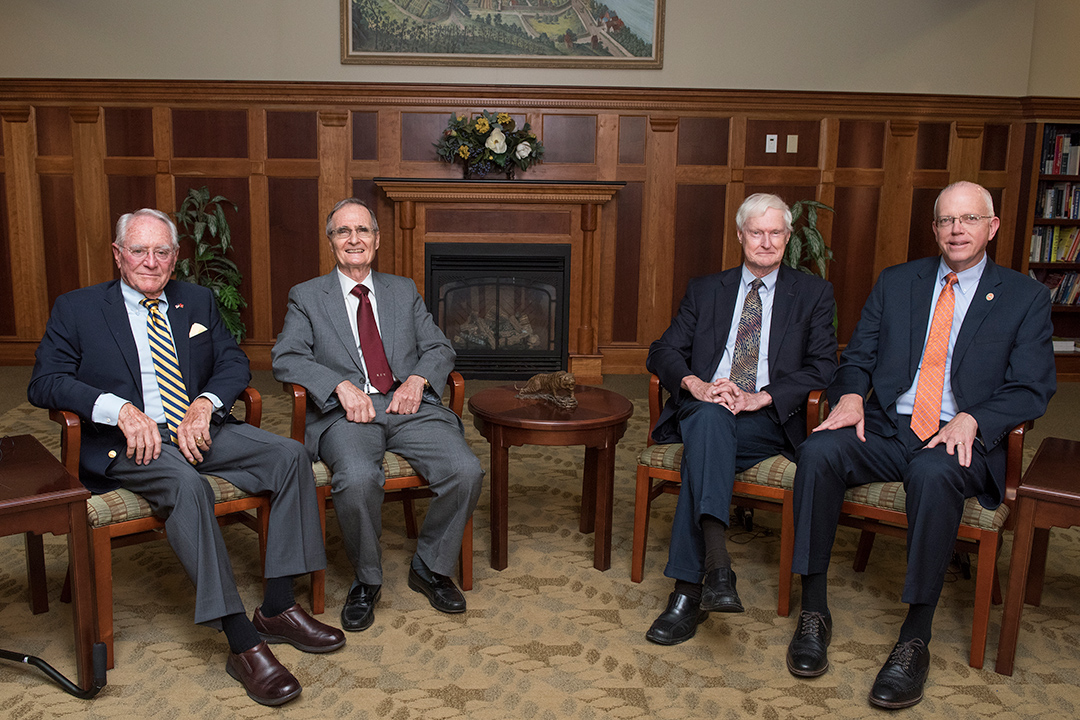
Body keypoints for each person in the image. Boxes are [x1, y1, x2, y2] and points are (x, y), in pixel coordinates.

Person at [28, 209, 344, 707]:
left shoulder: (196, 299)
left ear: (175, 258)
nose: (149, 262)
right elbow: (44, 382)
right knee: (187, 488)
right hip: (133, 442)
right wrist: (122, 411)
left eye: (161, 252)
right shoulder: (78, 308)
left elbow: (233, 361)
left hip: (199, 430)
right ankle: (242, 641)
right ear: (118, 255)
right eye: (138, 250)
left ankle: (279, 607)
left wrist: (205, 405)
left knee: (290, 456)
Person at [785, 181, 1056, 709]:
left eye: (970, 219)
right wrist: (851, 397)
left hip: (958, 434)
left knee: (933, 474)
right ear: (934, 229)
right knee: (818, 452)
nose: (957, 229)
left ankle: (915, 636)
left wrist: (975, 418)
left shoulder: (1024, 297)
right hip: (889, 425)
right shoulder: (898, 282)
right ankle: (813, 609)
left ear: (991, 227)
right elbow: (858, 355)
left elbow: (1032, 386)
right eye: (947, 221)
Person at [271, 198, 483, 633]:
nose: (354, 240)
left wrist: (419, 380)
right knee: (358, 478)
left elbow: (440, 347)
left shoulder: (402, 290)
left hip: (409, 407)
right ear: (331, 242)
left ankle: (430, 566)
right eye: (343, 232)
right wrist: (338, 385)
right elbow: (287, 356)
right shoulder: (308, 296)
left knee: (466, 470)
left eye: (362, 231)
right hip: (347, 414)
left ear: (377, 240)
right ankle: (367, 580)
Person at [643, 193, 838, 645]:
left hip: (765, 418)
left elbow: (823, 366)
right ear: (740, 236)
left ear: (788, 238)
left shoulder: (812, 293)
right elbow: (662, 350)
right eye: (757, 232)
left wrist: (759, 397)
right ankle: (714, 572)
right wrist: (698, 385)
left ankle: (691, 589)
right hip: (704, 404)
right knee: (710, 420)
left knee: (705, 448)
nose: (766, 242)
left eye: (775, 233)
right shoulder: (707, 288)